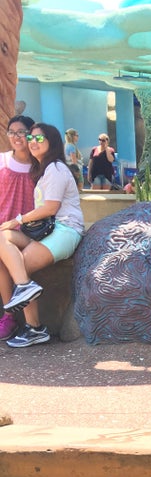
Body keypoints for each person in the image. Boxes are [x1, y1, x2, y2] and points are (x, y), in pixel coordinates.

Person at [0, 122, 84, 347]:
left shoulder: (56, 168)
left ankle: (35, 328)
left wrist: (16, 220)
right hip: (49, 232)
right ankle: (32, 324)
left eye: (39, 138)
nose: (33, 142)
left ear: (52, 142)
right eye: (32, 138)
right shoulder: (44, 169)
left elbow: (50, 208)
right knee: (3, 236)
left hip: (65, 232)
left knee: (17, 268)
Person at [0, 114, 36, 339]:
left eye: (21, 131)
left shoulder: (40, 164)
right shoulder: (2, 160)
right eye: (11, 132)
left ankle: (14, 317)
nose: (16, 136)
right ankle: (9, 315)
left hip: (28, 230)